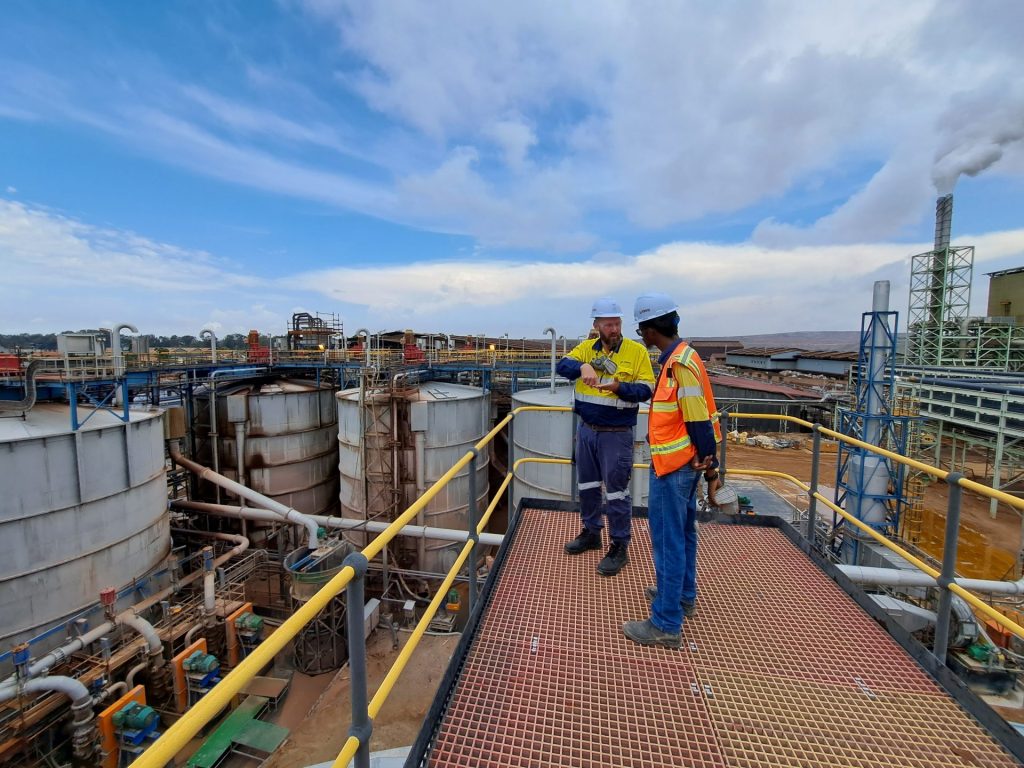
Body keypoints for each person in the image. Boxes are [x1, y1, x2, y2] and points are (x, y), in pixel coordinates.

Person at [623, 293, 721, 648]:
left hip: (674, 467)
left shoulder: (679, 364)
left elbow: (697, 416)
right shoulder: (682, 358)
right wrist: (708, 461)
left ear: (650, 329)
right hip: (683, 464)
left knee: (668, 541)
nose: (642, 336)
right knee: (682, 534)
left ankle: (665, 622)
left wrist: (708, 459)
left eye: (641, 330)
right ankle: (682, 596)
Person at [557, 297, 655, 576]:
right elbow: (561, 366)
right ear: (597, 325)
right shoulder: (586, 349)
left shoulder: (636, 352)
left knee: (617, 492)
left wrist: (620, 387)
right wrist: (582, 367)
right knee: (587, 486)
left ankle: (619, 545)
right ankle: (591, 532)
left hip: (616, 435)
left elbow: (647, 389)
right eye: (608, 324)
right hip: (587, 431)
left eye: (617, 323)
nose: (614, 328)